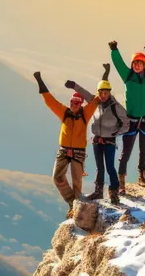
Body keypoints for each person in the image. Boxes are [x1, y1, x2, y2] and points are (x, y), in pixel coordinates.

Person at [64, 64, 129, 204]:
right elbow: (84, 92)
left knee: (110, 167)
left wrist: (116, 133)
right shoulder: (95, 102)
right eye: (101, 93)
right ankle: (98, 192)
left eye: (106, 93)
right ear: (98, 93)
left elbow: (126, 123)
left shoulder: (116, 106)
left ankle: (114, 193)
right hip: (97, 140)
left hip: (109, 141)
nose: (103, 95)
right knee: (100, 167)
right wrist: (74, 85)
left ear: (110, 92)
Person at [33, 71, 99, 207]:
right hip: (64, 150)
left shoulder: (85, 114)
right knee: (57, 177)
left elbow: (97, 100)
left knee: (77, 182)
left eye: (76, 102)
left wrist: (105, 76)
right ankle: (72, 202)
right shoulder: (64, 113)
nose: (73, 104)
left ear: (80, 104)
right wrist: (39, 80)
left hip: (78, 152)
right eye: (72, 102)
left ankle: (77, 205)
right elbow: (50, 101)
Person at [109, 40, 145, 191]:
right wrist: (114, 50)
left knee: (144, 150)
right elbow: (118, 64)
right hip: (131, 120)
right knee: (127, 151)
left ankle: (142, 176)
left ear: (144, 65)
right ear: (132, 65)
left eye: (140, 63)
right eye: (135, 63)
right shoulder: (128, 76)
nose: (137, 65)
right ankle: (121, 179)